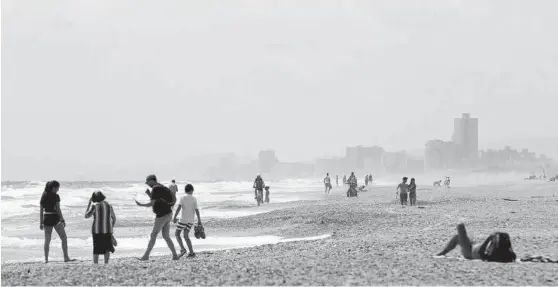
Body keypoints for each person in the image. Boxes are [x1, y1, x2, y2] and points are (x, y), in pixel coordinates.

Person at [135, 174, 179, 261]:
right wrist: (149, 194)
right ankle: (175, 255)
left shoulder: (155, 188)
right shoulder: (161, 187)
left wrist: (140, 204)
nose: (147, 183)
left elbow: (152, 204)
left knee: (154, 234)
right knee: (166, 236)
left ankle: (146, 256)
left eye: (147, 181)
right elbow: (157, 200)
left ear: (152, 180)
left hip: (162, 216)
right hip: (168, 214)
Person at [436, 223, 516, 263]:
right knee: (458, 237)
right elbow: (513, 254)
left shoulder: (492, 254)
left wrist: (489, 238)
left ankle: (442, 253)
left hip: (469, 252)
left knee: (460, 227)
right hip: (474, 246)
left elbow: (481, 251)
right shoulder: (507, 253)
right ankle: (443, 252)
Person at [40, 181, 74, 263]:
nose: (58, 190)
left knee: (47, 240)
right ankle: (66, 257)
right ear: (54, 188)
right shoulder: (56, 196)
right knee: (63, 237)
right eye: (58, 188)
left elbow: (41, 210)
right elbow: (58, 209)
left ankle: (46, 259)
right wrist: (62, 219)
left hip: (47, 218)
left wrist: (41, 222)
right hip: (55, 218)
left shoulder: (44, 195)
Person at [85, 191, 116, 264]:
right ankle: (106, 263)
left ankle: (96, 264)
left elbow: (86, 216)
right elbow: (114, 218)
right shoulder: (109, 205)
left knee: (96, 249)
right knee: (107, 249)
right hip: (108, 231)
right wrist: (110, 228)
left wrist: (89, 204)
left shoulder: (95, 206)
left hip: (97, 231)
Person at [173, 184, 202, 258]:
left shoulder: (182, 198)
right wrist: (199, 220)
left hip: (183, 220)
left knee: (177, 234)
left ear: (185, 190)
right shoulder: (194, 198)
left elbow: (179, 208)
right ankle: (191, 252)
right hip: (190, 221)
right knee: (186, 236)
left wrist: (175, 217)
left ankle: (182, 249)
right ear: (191, 190)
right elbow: (197, 210)